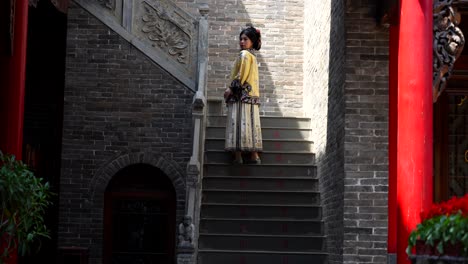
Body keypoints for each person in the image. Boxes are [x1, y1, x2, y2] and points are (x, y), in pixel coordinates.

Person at [224, 24, 263, 165]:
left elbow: (241, 76)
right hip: (251, 96)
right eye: (241, 39)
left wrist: (230, 89)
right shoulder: (252, 55)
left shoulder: (244, 55)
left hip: (240, 95)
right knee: (251, 124)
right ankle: (254, 155)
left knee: (239, 123)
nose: (242, 41)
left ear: (252, 41)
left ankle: (238, 156)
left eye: (245, 39)